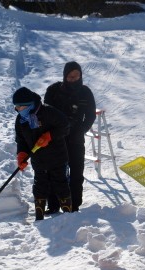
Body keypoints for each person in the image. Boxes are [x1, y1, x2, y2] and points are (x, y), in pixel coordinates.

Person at [44, 61, 96, 213]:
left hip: (76, 138)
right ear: (65, 76)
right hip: (56, 138)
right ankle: (53, 205)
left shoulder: (85, 92)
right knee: (54, 171)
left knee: (76, 172)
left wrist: (81, 129)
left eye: (77, 76)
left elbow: (91, 115)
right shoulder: (53, 90)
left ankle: (73, 205)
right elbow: (46, 112)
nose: (74, 79)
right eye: (70, 77)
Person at [13, 87, 72, 221]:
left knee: (60, 183)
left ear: (28, 105)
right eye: (15, 107)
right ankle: (39, 215)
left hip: (57, 156)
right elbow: (21, 140)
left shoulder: (48, 112)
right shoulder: (21, 120)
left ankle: (68, 215)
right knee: (40, 185)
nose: (17, 109)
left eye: (19, 107)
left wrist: (50, 135)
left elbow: (65, 126)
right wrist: (21, 154)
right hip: (38, 159)